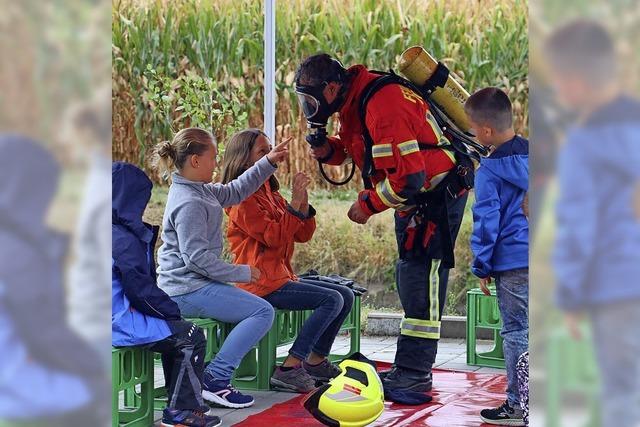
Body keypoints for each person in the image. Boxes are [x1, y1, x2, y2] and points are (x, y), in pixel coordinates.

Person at [294, 53, 468, 393]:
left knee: (421, 282)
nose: (309, 108)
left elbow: (411, 177)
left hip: (434, 195)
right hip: (416, 200)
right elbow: (360, 149)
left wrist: (368, 205)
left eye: (311, 100)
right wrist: (327, 150)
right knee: (410, 277)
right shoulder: (356, 97)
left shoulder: (381, 102)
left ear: (331, 88)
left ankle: (415, 374)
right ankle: (408, 368)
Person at [154, 127, 289, 408]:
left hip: (195, 284)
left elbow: (236, 190)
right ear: (195, 160)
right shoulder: (189, 201)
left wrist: (269, 161)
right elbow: (197, 259)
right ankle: (215, 378)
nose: (217, 163)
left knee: (255, 309)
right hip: (185, 290)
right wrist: (240, 271)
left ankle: (213, 375)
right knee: (262, 311)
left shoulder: (201, 191)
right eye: (213, 157)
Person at [547, 20, 640, 427]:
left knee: (624, 393)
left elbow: (579, 229)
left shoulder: (585, 143)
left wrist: (570, 296)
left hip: (616, 286)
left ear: (576, 81)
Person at [222, 128, 354, 393]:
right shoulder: (242, 198)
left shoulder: (270, 193)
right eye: (264, 151)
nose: (275, 156)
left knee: (346, 294)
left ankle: (315, 360)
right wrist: (294, 205)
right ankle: (289, 368)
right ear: (246, 161)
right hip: (260, 284)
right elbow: (273, 237)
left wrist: (302, 202)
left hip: (281, 277)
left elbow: (303, 234)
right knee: (332, 299)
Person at [112, 162, 221, 427]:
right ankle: (182, 411)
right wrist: (171, 310)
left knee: (173, 330)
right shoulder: (121, 238)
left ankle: (180, 405)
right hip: (116, 321)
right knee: (190, 335)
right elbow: (141, 292)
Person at [465, 87, 529, 425]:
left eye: (473, 129)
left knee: (517, 330)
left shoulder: (489, 170)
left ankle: (518, 404)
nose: (473, 135)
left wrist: (482, 264)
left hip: (513, 259)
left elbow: (487, 220)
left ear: (486, 131)